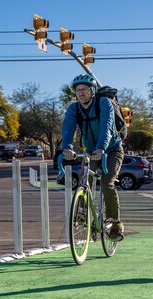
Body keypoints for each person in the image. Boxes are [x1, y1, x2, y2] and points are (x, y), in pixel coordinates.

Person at [61, 74, 125, 241]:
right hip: (91, 151)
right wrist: (66, 148)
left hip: (112, 150)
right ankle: (83, 213)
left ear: (93, 91)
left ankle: (116, 223)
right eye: (78, 90)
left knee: (106, 183)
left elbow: (107, 128)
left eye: (85, 89)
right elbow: (68, 128)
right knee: (84, 181)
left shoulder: (104, 103)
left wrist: (102, 148)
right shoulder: (74, 108)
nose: (81, 93)